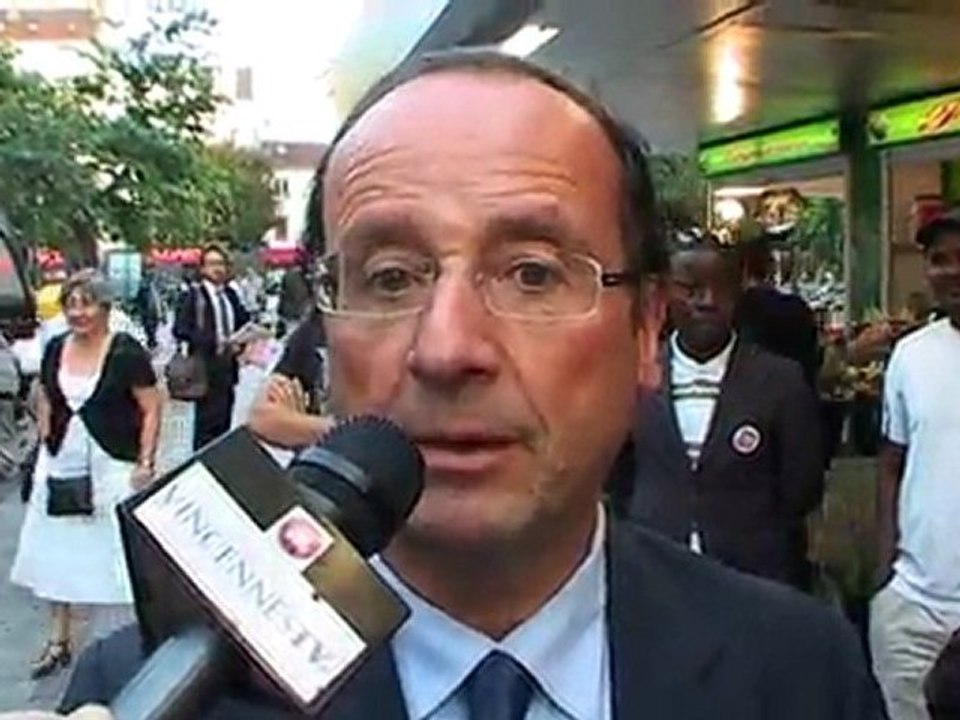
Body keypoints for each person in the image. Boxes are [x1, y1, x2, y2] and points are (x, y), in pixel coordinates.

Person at [41, 50, 882, 720]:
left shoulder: (802, 673)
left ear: (644, 332)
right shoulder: (154, 688)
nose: (447, 349)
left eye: (531, 273)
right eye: (392, 278)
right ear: (326, 329)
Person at [624, 229, 824, 590]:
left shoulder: (779, 380)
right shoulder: (632, 376)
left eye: (722, 289)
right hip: (653, 572)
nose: (708, 301)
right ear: (665, 293)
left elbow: (801, 487)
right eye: (691, 288)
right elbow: (617, 474)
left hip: (753, 577)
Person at [9, 270, 161, 680]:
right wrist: (44, 434)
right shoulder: (56, 346)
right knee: (57, 550)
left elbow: (150, 406)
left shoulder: (126, 351)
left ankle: (117, 644)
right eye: (71, 304)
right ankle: (58, 640)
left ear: (105, 309)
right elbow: (45, 391)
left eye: (87, 304)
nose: (78, 313)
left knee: (112, 554)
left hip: (112, 462)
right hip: (61, 459)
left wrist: (145, 462)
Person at [871, 215, 960, 720]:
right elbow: (892, 462)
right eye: (939, 260)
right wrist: (886, 569)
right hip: (913, 607)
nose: (950, 272)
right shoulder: (911, 355)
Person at [172, 243, 251, 450]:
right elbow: (180, 329)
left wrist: (242, 342)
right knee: (205, 426)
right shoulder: (194, 296)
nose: (218, 268)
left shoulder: (230, 296)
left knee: (224, 424)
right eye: (212, 264)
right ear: (203, 268)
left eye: (222, 263)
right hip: (204, 368)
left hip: (227, 368)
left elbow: (244, 323)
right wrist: (212, 341)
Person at [735, 235, 821, 388]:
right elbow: (814, 362)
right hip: (797, 399)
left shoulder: (734, 312)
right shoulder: (797, 309)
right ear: (772, 266)